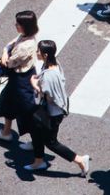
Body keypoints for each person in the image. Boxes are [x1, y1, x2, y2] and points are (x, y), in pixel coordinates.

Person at [30, 40, 92, 176]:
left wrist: (34, 84)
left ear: (45, 55)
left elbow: (48, 95)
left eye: (38, 51)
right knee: (36, 130)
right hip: (56, 109)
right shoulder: (54, 63)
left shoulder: (48, 75)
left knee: (51, 142)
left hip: (53, 112)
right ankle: (38, 160)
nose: (36, 53)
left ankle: (80, 160)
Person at [0, 11, 41, 142]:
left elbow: (8, 63)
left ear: (26, 26)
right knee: (8, 102)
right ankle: (6, 132)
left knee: (27, 111)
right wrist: (7, 48)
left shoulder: (25, 46)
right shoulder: (26, 36)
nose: (15, 25)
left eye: (18, 24)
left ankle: (36, 141)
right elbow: (12, 42)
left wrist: (4, 53)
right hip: (19, 78)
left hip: (22, 80)